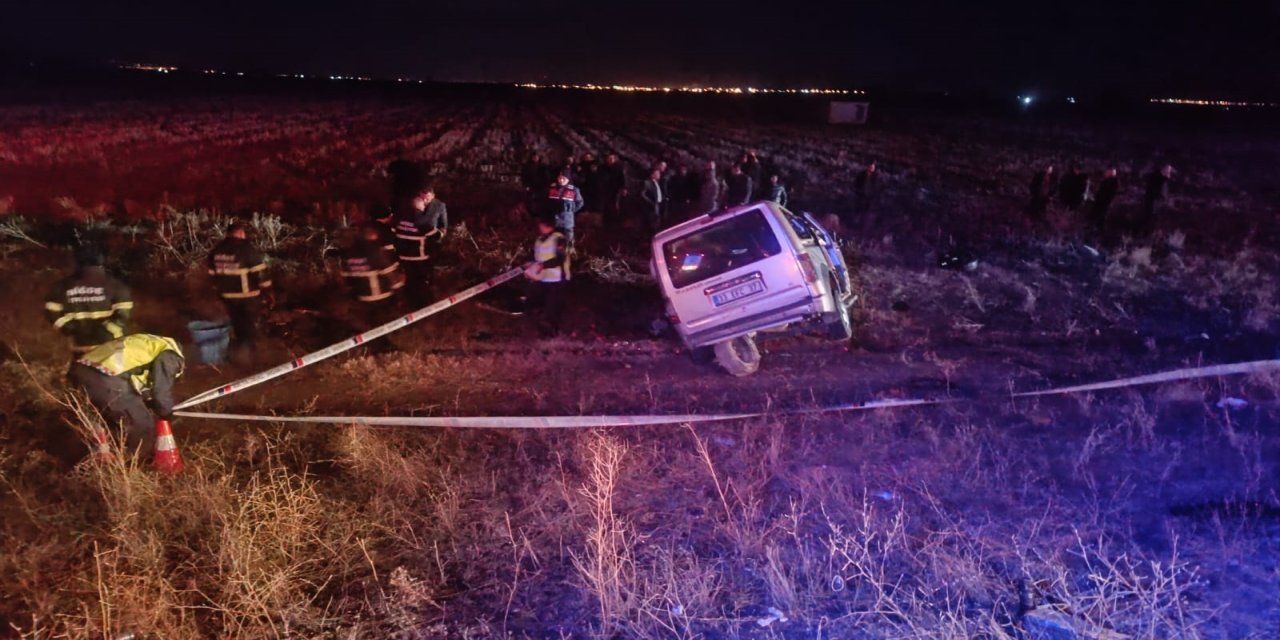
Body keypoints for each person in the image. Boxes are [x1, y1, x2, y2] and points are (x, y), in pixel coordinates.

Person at [68, 334, 184, 459]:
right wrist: (166, 412)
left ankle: (101, 455)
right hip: (106, 378)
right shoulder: (172, 356)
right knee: (142, 424)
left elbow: (134, 374)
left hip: (81, 369)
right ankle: (133, 463)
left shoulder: (151, 342)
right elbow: (160, 393)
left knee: (108, 418)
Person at [46, 242, 133, 356]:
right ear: (101, 261)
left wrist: (72, 330)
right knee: (112, 373)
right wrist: (105, 332)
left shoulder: (62, 286)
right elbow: (123, 316)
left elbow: (52, 314)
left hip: (80, 345)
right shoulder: (116, 286)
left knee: (82, 373)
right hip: (111, 345)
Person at [208, 223, 272, 356]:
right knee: (249, 322)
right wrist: (268, 291)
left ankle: (241, 348)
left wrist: (217, 292)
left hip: (226, 296)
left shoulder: (216, 250)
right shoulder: (247, 249)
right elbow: (260, 272)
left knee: (237, 322)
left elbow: (212, 275)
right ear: (241, 233)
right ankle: (248, 353)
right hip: (247, 295)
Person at [391, 185, 448, 305]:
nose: (425, 202)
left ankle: (410, 301)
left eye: (426, 199)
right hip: (419, 255)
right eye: (422, 201)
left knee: (411, 280)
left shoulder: (402, 219)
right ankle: (423, 304)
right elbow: (436, 235)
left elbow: (395, 231)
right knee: (420, 281)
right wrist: (440, 234)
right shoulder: (421, 223)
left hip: (405, 255)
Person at [341, 223, 406, 327]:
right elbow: (392, 278)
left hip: (362, 299)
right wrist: (400, 297)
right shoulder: (376, 253)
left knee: (370, 327)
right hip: (382, 298)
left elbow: (347, 281)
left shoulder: (348, 255)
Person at [523, 216, 570, 336]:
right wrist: (531, 264)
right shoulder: (539, 240)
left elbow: (560, 258)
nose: (539, 227)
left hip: (556, 280)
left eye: (541, 225)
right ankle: (540, 330)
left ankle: (552, 333)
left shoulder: (559, 239)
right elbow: (538, 258)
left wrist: (543, 265)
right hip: (542, 278)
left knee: (552, 309)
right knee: (535, 303)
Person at [545, 171, 584, 245]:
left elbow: (580, 203)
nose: (561, 180)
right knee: (555, 242)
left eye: (563, 178)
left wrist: (571, 210)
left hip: (567, 221)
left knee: (569, 242)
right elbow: (547, 201)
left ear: (568, 179)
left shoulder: (574, 190)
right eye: (559, 178)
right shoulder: (552, 188)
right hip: (554, 220)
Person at [597, 153, 627, 231]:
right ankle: (605, 224)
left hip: (615, 190)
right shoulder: (602, 168)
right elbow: (600, 178)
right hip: (605, 190)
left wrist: (624, 188)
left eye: (612, 158)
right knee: (605, 207)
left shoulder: (619, 168)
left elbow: (622, 179)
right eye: (608, 158)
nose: (610, 160)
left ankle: (616, 224)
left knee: (615, 207)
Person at [1138, 164, 1172, 234]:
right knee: (1150, 217)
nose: (1168, 173)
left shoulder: (1162, 179)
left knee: (1152, 217)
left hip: (1156, 202)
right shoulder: (1156, 178)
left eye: (1169, 171)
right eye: (1167, 171)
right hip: (1153, 202)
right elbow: (1153, 191)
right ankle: (1146, 231)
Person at [1090, 168, 1119, 235]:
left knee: (1100, 215)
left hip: (1103, 202)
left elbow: (1106, 193)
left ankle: (1098, 230)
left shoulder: (1111, 182)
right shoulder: (1108, 182)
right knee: (1098, 215)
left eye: (1107, 172)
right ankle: (1096, 229)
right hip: (1101, 201)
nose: (1105, 173)